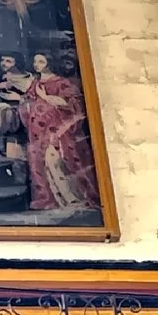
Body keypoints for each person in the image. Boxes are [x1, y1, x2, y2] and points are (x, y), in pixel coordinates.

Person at [20, 51, 100, 214]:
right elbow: (27, 101)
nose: (37, 65)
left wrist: (46, 97)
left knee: (55, 161)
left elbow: (71, 105)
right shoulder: (35, 83)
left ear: (49, 62)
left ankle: (73, 198)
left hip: (58, 130)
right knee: (41, 164)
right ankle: (53, 199)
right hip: (38, 131)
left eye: (41, 62)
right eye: (35, 62)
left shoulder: (61, 82)